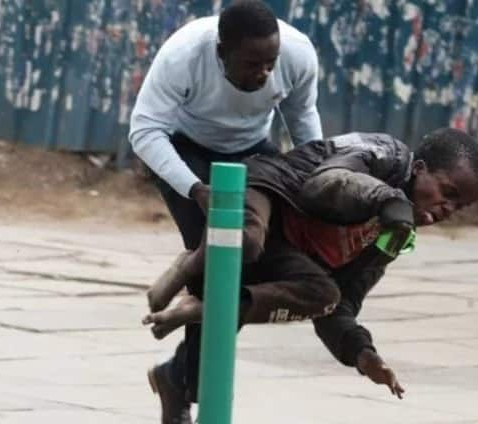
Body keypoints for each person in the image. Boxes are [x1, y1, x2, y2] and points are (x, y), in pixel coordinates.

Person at [143, 127, 478, 419]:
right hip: (269, 197)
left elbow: (343, 300)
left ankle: (191, 338)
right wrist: (387, 200)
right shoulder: (385, 154)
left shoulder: (395, 234)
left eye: (459, 206)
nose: (448, 209)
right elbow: (324, 185)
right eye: (448, 193)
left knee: (323, 296)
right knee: (246, 242)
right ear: (418, 168)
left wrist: (360, 352)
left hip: (288, 253)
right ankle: (190, 264)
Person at [128, 1, 322, 422]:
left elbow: (302, 118)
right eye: (252, 64)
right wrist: (195, 189)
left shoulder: (299, 53)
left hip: (254, 152)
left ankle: (179, 375)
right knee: (222, 260)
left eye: (270, 63)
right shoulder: (184, 54)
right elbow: (145, 129)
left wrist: (316, 178)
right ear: (221, 51)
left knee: (251, 263)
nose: (264, 73)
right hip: (187, 152)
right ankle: (185, 376)